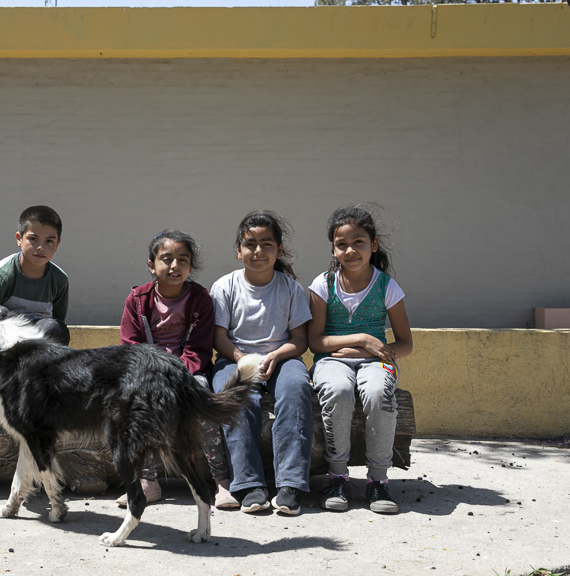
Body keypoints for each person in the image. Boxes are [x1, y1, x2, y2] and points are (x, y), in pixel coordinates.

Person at [307, 204, 413, 514]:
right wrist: (362, 339)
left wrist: (365, 350)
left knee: (379, 392)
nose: (350, 250)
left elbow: (405, 344)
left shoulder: (386, 288)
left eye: (358, 242)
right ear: (333, 248)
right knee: (338, 391)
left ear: (374, 244)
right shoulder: (322, 285)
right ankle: (337, 477)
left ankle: (378, 481)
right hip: (331, 361)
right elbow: (316, 343)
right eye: (342, 244)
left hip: (374, 361)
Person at [117, 230, 233, 509]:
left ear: (191, 266)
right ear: (151, 264)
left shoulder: (200, 300)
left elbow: (200, 349)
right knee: (135, 407)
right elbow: (131, 346)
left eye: (183, 260)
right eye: (166, 259)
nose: (174, 266)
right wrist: (155, 375)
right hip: (147, 372)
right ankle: (147, 482)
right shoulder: (137, 300)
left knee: (202, 402)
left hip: (188, 372)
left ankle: (222, 481)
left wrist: (177, 374)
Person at [210, 210, 314, 516]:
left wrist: (276, 355)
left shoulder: (291, 289)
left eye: (267, 244)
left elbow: (300, 340)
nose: (258, 251)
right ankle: (249, 484)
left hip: (281, 358)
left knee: (296, 388)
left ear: (279, 250)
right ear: (238, 250)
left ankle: (290, 484)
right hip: (235, 358)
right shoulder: (224, 287)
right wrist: (244, 360)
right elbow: (218, 337)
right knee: (236, 396)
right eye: (250, 244)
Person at [0, 205, 69, 346]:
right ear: (19, 239)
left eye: (49, 241)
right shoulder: (2, 274)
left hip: (37, 341)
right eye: (33, 239)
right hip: (5, 340)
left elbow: (58, 319)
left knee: (55, 328)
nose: (41, 247)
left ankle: (43, 365)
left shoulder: (59, 279)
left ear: (57, 244)